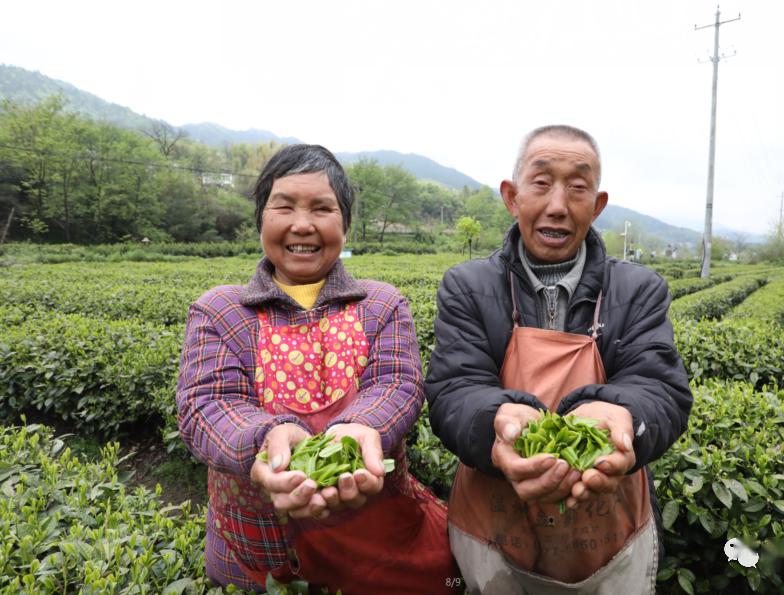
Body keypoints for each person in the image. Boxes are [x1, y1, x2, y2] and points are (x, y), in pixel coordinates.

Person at [177, 144, 458, 594]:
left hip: (379, 540)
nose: (302, 224)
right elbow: (206, 405)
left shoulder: (381, 303)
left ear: (344, 223)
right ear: (261, 220)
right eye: (283, 206)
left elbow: (397, 383)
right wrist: (265, 441)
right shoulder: (221, 310)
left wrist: (360, 428)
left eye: (322, 208)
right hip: (257, 549)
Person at [425, 125, 693, 594]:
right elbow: (453, 391)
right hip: (495, 535)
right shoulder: (467, 286)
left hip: (609, 537)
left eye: (577, 187)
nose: (557, 205)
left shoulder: (638, 289)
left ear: (598, 204)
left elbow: (661, 388)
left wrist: (623, 417)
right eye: (542, 182)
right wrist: (497, 425)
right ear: (512, 196)